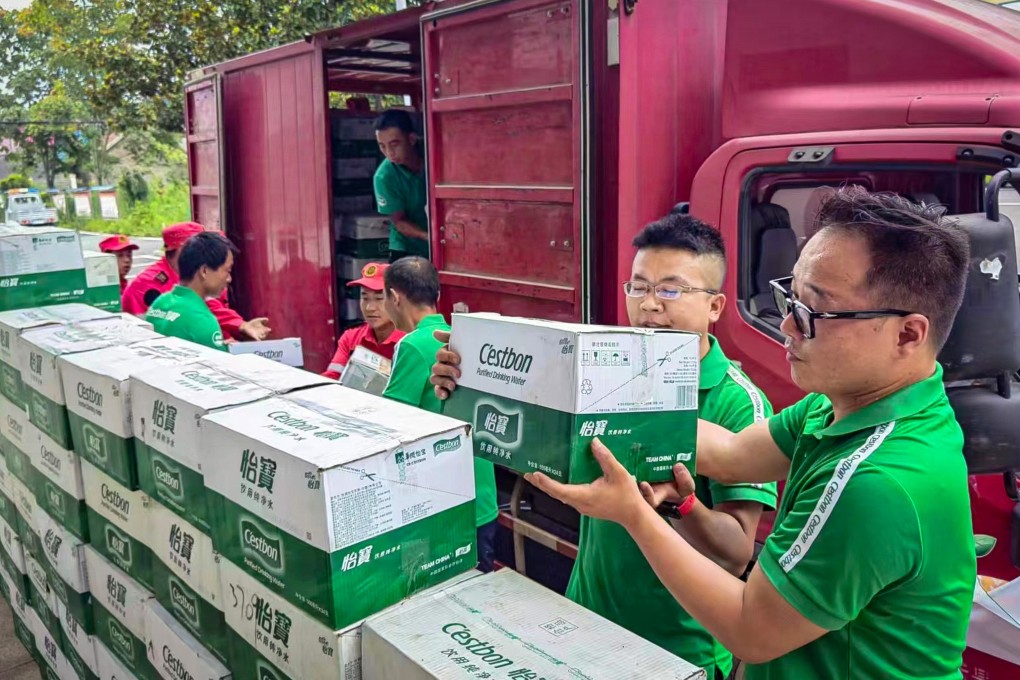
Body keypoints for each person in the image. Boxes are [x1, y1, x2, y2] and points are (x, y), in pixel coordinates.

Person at [514, 188, 976, 679]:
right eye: (789, 298)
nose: (787, 327)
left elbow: (749, 627)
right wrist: (522, 382)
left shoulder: (878, 482)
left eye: (814, 313)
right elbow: (731, 454)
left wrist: (633, 513)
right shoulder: (834, 406)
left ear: (908, 334)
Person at [429, 215, 777, 678]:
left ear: (714, 306)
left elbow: (735, 554)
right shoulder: (611, 373)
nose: (650, 305)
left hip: (676, 651)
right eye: (638, 288)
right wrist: (469, 379)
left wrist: (682, 502)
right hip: (584, 621)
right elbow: (524, 419)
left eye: (671, 291)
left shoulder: (738, 402)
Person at [381, 257, 499, 571]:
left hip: (444, 507)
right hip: (482, 499)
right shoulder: (461, 336)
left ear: (395, 297)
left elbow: (389, 422)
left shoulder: (414, 344)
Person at [122, 222, 271, 342]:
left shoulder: (171, 291)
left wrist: (241, 325)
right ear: (185, 249)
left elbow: (207, 305)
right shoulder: (149, 286)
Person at [145, 232, 239, 351]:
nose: (229, 278)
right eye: (227, 270)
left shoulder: (159, 303)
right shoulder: (202, 320)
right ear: (204, 271)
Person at [323, 262, 405, 379]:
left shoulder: (409, 342)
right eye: (365, 298)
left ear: (397, 299)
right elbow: (331, 378)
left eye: (379, 298)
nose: (369, 308)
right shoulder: (350, 338)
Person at [373, 109, 429, 261]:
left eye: (394, 144)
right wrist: (428, 236)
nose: (389, 153)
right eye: (382, 146)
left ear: (411, 139)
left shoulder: (433, 152)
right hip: (406, 248)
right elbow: (399, 222)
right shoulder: (384, 177)